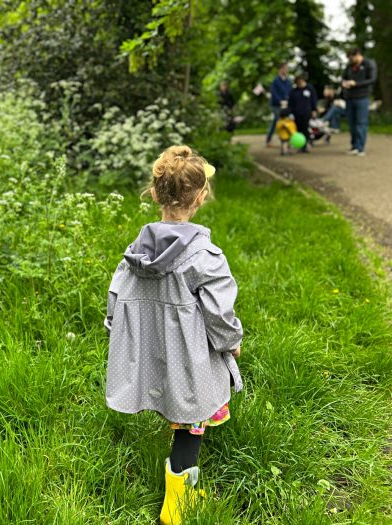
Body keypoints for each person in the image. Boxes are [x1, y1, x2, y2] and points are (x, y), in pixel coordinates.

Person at [105, 145, 243, 525]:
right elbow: (219, 312)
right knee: (191, 421)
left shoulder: (135, 252)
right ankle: (177, 504)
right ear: (201, 197)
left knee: (182, 415)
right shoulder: (205, 256)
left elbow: (116, 300)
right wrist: (231, 343)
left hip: (151, 350)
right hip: (189, 357)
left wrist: (116, 331)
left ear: (155, 194)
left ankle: (184, 491)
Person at [342, 48, 377, 156]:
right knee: (352, 123)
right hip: (350, 97)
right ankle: (354, 146)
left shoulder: (369, 64)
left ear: (357, 55)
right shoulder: (349, 66)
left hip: (362, 97)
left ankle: (361, 147)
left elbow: (372, 79)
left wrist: (356, 83)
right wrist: (344, 83)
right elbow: (344, 77)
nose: (350, 60)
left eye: (351, 58)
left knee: (361, 123)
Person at [288, 74, 318, 152]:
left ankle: (305, 145)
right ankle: (301, 145)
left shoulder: (309, 88)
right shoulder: (293, 91)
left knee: (305, 128)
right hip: (296, 113)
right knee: (299, 129)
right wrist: (290, 113)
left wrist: (314, 110)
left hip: (306, 112)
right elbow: (290, 103)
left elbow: (313, 100)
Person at [266, 62, 292, 147]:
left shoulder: (288, 81)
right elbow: (274, 93)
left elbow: (290, 92)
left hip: (286, 104)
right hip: (276, 105)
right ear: (280, 69)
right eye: (285, 68)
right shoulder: (275, 81)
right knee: (281, 120)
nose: (286, 70)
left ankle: (268, 139)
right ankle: (284, 140)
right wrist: (281, 101)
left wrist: (288, 101)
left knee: (275, 122)